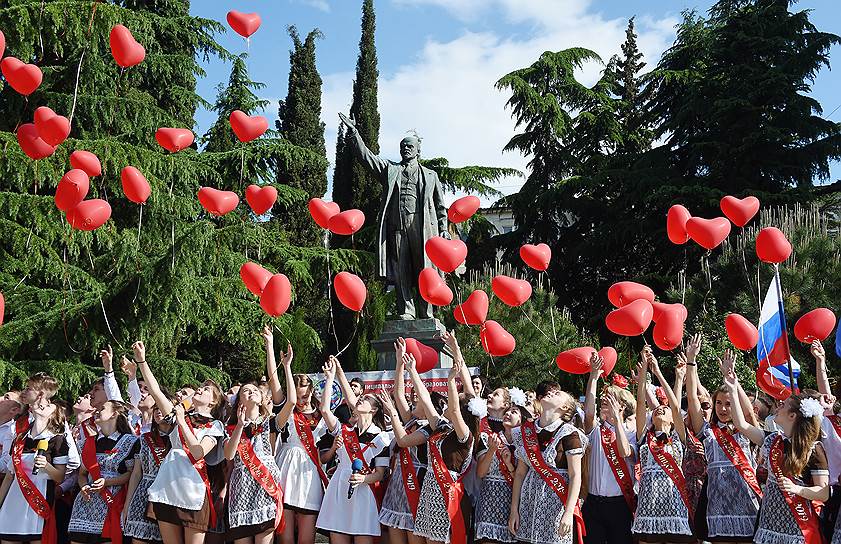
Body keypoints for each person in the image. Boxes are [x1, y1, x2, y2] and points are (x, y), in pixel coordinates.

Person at [721, 360, 828, 544]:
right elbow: (742, 424)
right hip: (769, 524)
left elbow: (824, 492)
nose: (777, 407)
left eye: (783, 405)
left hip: (797, 527)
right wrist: (732, 386)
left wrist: (798, 489)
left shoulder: (813, 449)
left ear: (793, 416)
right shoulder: (772, 440)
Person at [135, 341, 227, 544]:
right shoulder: (180, 414)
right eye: (200, 387)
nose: (200, 390)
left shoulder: (215, 425)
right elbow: (156, 391)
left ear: (213, 402)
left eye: (206, 389)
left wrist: (181, 421)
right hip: (168, 485)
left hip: (193, 488)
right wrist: (142, 360)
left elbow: (198, 452)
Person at [685, 341, 760, 543]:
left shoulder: (746, 431)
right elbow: (692, 399)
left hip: (747, 502)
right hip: (718, 503)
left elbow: (747, 411)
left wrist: (732, 382)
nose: (723, 408)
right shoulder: (708, 431)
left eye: (728, 404)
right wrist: (691, 362)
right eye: (719, 403)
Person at [315, 356, 391, 543]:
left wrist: (364, 478)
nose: (359, 400)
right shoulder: (344, 430)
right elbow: (325, 410)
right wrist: (331, 377)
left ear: (373, 410)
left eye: (365, 399)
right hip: (339, 488)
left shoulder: (381, 438)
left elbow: (380, 474)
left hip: (364, 492)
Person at [509, 380, 586, 544]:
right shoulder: (527, 430)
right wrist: (514, 509)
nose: (551, 392)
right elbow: (520, 473)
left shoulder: (570, 434)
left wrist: (568, 512)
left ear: (564, 408)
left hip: (556, 506)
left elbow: (575, 476)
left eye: (557, 394)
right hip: (528, 505)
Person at [413, 353, 477, 544]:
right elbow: (425, 399)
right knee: (430, 540)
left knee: (446, 539)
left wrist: (450, 380)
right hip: (430, 487)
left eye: (453, 399)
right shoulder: (441, 426)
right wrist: (412, 370)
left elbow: (455, 410)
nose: (449, 403)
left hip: (447, 491)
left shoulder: (465, 435)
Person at [631, 347, 694, 544]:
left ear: (675, 420)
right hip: (649, 506)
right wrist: (644, 369)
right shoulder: (644, 436)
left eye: (664, 409)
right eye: (657, 408)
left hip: (675, 506)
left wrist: (657, 371)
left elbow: (675, 405)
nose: (660, 409)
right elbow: (641, 402)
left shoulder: (678, 437)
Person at [377, 338, 432, 544]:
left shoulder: (431, 428)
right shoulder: (411, 420)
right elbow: (398, 394)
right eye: (414, 394)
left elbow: (402, 441)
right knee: (395, 535)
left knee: (414, 535)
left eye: (419, 395)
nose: (414, 397)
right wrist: (400, 363)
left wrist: (392, 414)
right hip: (398, 481)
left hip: (416, 483)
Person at [582, 353, 637, 544]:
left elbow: (624, 452)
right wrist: (594, 376)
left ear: (623, 405)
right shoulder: (596, 431)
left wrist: (617, 421)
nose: (604, 399)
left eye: (610, 398)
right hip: (593, 503)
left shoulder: (631, 433)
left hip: (620, 505)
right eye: (603, 398)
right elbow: (589, 414)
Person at [67, 400, 139, 544]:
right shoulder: (89, 442)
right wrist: (84, 486)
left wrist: (107, 482)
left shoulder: (131, 441)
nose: (97, 411)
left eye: (102, 408)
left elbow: (131, 473)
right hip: (86, 502)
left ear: (114, 414)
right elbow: (82, 473)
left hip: (112, 501)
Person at [0, 397, 69, 543]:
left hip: (38, 501)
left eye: (49, 405)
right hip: (13, 501)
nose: (44, 405)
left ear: (54, 415)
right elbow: (9, 476)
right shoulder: (19, 439)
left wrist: (47, 466)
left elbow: (60, 477)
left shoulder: (57, 440)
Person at [474, 395, 530, 544]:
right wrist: (492, 450)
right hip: (491, 498)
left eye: (514, 412)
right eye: (507, 411)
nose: (508, 413)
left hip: (515, 500)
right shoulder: (489, 438)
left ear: (522, 420)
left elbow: (521, 476)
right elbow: (480, 473)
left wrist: (510, 465)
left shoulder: (526, 445)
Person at [122, 395, 175, 544]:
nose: (158, 411)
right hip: (143, 494)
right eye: (156, 408)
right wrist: (128, 503)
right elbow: (136, 473)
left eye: (162, 407)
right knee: (139, 539)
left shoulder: (180, 438)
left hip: (168, 495)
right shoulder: (144, 439)